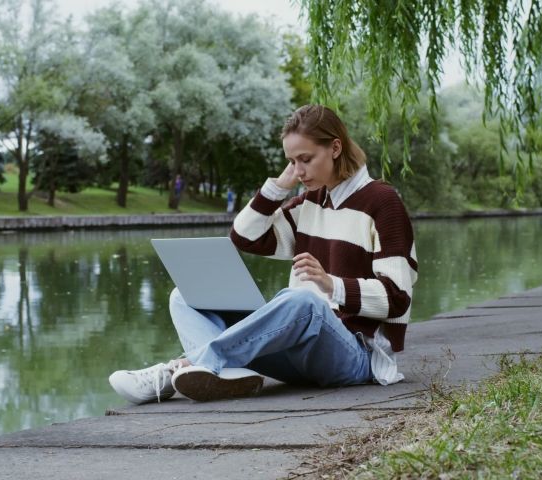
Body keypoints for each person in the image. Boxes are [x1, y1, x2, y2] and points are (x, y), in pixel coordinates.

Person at [109, 105, 417, 404]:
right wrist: (280, 186)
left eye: (305, 159)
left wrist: (331, 284)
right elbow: (245, 237)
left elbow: (397, 298)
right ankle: (223, 372)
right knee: (185, 295)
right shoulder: (309, 201)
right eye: (291, 161)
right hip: (297, 358)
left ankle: (184, 368)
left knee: (304, 302)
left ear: (335, 148)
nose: (298, 170)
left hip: (355, 357)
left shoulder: (383, 202)